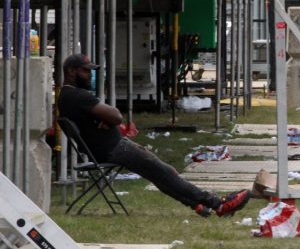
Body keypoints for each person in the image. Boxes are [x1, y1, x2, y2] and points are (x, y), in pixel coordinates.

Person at [57, 53, 250, 217]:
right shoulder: (79, 96)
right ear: (71, 71)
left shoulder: (66, 97)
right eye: (85, 71)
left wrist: (106, 119)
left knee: (160, 174)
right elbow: (116, 116)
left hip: (105, 148)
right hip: (113, 149)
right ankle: (218, 204)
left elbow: (107, 119)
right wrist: (109, 119)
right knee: (163, 172)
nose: (89, 75)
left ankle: (197, 204)